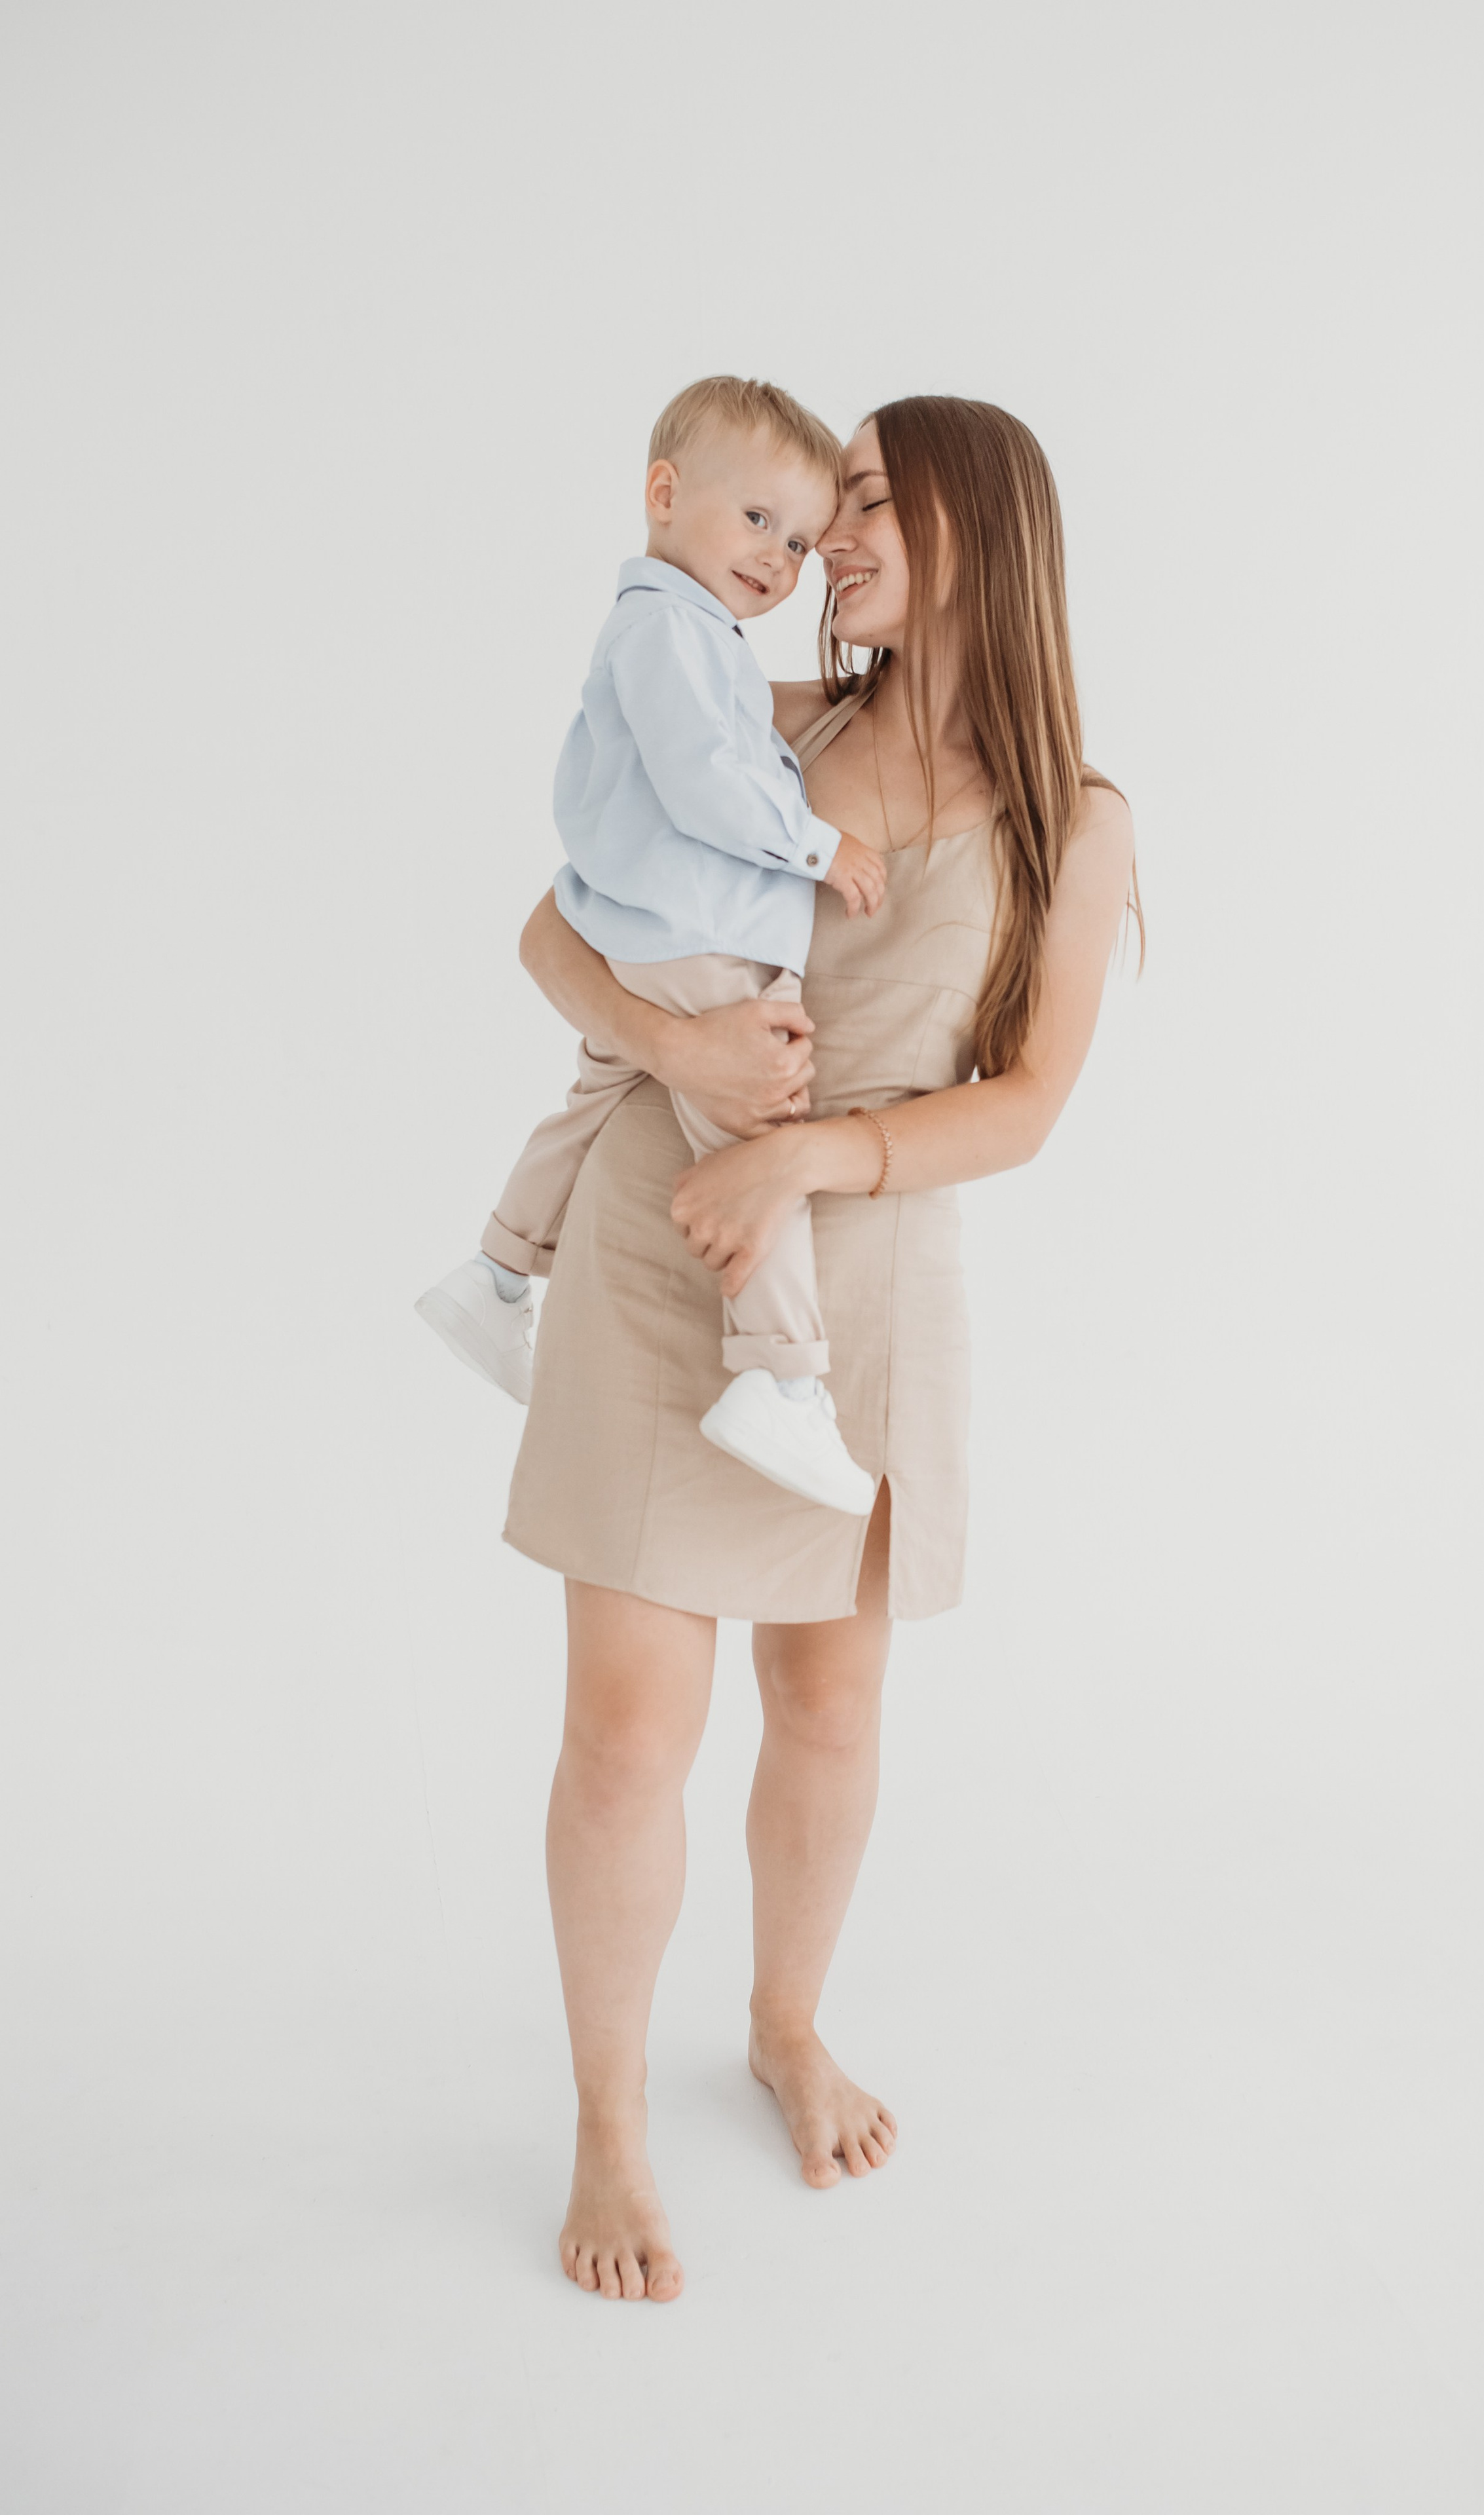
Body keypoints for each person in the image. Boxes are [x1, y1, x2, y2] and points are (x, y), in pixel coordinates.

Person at [505, 396, 1139, 2302]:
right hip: (664, 1246)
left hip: (855, 1287)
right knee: (631, 1732)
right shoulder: (753, 722)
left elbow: (1023, 1105)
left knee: (832, 1707)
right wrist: (685, 1052)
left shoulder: (1075, 817)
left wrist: (806, 1152)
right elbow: (551, 930)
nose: (824, 540)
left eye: (868, 502)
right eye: (824, 503)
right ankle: (610, 2124)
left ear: (977, 533)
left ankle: (784, 2027)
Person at [417, 376, 883, 1511]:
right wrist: (818, 846)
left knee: (594, 1098)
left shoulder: (684, 631)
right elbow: (704, 777)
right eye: (757, 518)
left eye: (799, 541)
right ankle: (783, 1376)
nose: (779, 558)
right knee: (760, 1123)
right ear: (664, 495)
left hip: (647, 932)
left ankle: (497, 1273)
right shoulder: (672, 631)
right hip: (696, 937)